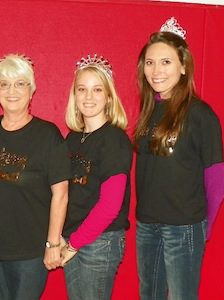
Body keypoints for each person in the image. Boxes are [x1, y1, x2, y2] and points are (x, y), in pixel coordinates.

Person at [134, 17, 224, 300]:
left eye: (165, 62)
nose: (156, 70)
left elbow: (217, 178)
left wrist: (202, 228)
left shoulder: (200, 114)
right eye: (150, 62)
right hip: (147, 226)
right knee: (149, 294)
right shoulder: (149, 111)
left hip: (183, 227)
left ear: (183, 66)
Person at [0, 54, 70, 300]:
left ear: (31, 89)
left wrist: (53, 244)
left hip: (29, 252)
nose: (11, 90)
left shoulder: (47, 135)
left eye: (20, 83)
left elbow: (61, 193)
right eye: (4, 84)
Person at [61, 54, 132, 300]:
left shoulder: (114, 139)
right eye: (82, 89)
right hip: (73, 237)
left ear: (108, 96)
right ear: (74, 94)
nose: (88, 97)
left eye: (97, 89)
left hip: (100, 241)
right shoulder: (72, 139)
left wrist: (74, 243)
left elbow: (110, 205)